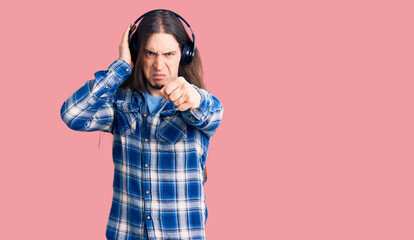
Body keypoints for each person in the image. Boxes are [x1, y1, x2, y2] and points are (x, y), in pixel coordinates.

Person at [60, 9, 223, 240]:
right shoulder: (121, 103)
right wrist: (119, 67)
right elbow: (72, 114)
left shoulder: (199, 105)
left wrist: (194, 97)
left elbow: (212, 113)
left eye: (168, 54)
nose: (159, 64)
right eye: (150, 53)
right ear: (137, 53)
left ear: (184, 55)